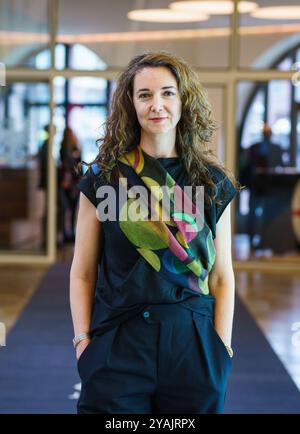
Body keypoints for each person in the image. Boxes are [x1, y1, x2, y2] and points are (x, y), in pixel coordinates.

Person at [70, 51, 241, 414]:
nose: (156, 105)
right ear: (130, 104)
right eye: (144, 95)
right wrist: (83, 340)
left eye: (167, 93)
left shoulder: (211, 183)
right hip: (117, 340)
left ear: (184, 101)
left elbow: (223, 275)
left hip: (192, 344)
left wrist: (222, 346)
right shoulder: (105, 180)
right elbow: (83, 272)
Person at [239, 123, 285, 251]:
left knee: (261, 214)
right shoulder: (257, 148)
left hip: (264, 186)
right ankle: (256, 240)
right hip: (260, 186)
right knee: (258, 214)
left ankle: (260, 241)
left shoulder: (257, 148)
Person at [58, 127, 81, 243]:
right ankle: (66, 233)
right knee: (66, 209)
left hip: (74, 184)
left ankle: (70, 232)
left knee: (71, 209)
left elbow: (79, 166)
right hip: (69, 185)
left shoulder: (75, 148)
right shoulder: (64, 150)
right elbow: (67, 167)